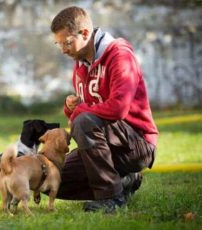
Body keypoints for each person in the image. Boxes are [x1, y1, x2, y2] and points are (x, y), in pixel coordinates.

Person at [50, 6, 159, 213]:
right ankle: (125, 180)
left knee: (84, 121)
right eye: (58, 44)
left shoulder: (119, 55)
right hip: (106, 144)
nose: (63, 49)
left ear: (84, 33)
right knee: (51, 176)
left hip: (137, 143)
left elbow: (118, 108)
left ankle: (110, 197)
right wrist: (71, 108)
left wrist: (81, 112)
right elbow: (88, 114)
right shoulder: (80, 64)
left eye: (66, 42)